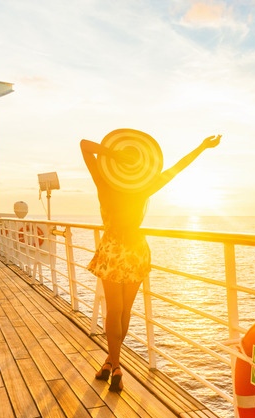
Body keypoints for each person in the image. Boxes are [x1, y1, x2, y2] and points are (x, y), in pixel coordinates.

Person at [80, 132, 221, 392]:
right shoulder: (144, 188)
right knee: (124, 312)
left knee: (114, 310)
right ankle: (111, 364)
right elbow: (177, 169)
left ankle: (117, 365)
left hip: (113, 248)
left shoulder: (104, 184)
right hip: (136, 249)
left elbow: (85, 145)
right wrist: (201, 146)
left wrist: (113, 154)